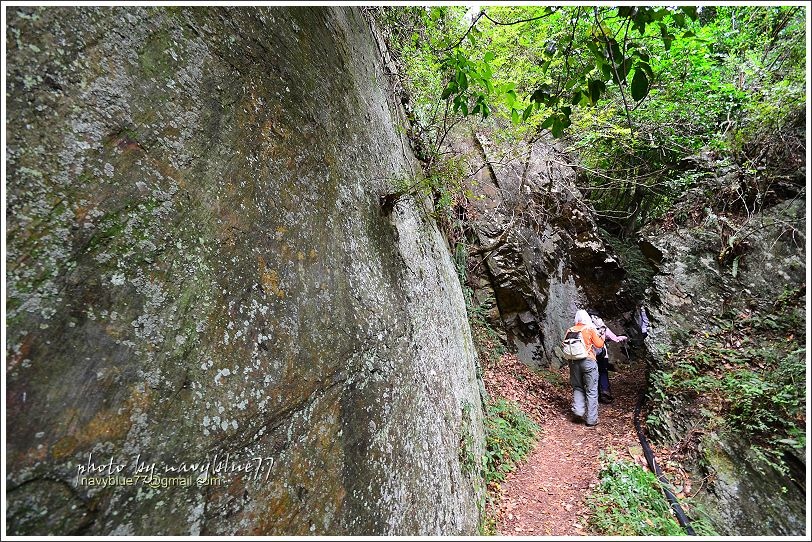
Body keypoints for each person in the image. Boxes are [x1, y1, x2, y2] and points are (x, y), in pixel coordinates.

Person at [564, 310, 604, 427]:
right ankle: (591, 419)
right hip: (588, 361)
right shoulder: (589, 329)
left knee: (577, 387)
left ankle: (578, 411)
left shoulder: (570, 330)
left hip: (573, 362)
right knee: (591, 389)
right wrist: (601, 336)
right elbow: (599, 345)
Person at [588, 311, 628, 404]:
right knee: (603, 372)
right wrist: (623, 337)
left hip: (590, 355)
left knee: (592, 374)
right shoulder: (603, 327)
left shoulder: (587, 327)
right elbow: (615, 338)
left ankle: (594, 395)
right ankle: (605, 391)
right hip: (602, 354)